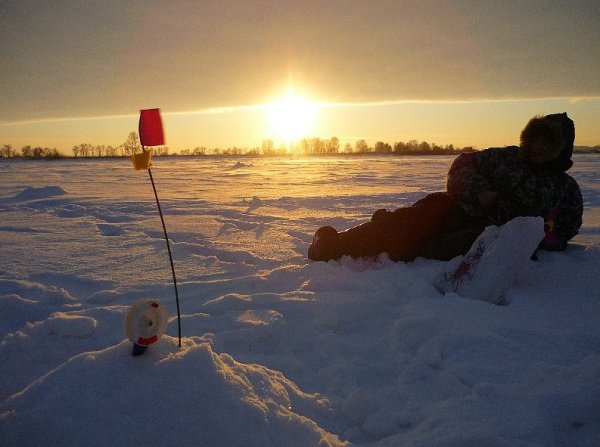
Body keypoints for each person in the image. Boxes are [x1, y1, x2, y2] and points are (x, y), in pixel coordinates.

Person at [307, 113, 583, 262]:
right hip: (458, 209)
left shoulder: (565, 189)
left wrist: (532, 238)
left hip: (491, 236)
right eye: (536, 139)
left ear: (560, 150)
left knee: (423, 246)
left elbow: (563, 231)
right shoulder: (504, 157)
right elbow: (461, 167)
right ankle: (332, 245)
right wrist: (479, 193)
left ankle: (401, 246)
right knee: (411, 220)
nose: (539, 147)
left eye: (549, 143)